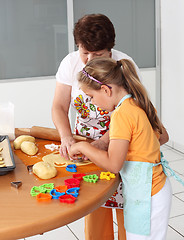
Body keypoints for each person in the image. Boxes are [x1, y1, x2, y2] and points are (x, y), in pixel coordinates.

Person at [52, 13, 143, 240]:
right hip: (85, 148)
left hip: (121, 146)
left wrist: (104, 141)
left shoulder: (125, 66)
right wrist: (66, 138)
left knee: (128, 215)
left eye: (98, 54)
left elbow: (134, 113)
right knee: (94, 208)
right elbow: (58, 106)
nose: (90, 59)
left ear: (110, 50)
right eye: (85, 53)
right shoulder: (69, 63)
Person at [69, 57, 172, 240]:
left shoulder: (121, 114)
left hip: (148, 195)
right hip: (153, 190)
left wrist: (84, 146)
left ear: (106, 90)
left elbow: (113, 164)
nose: (93, 103)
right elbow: (162, 137)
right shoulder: (138, 102)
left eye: (91, 97)